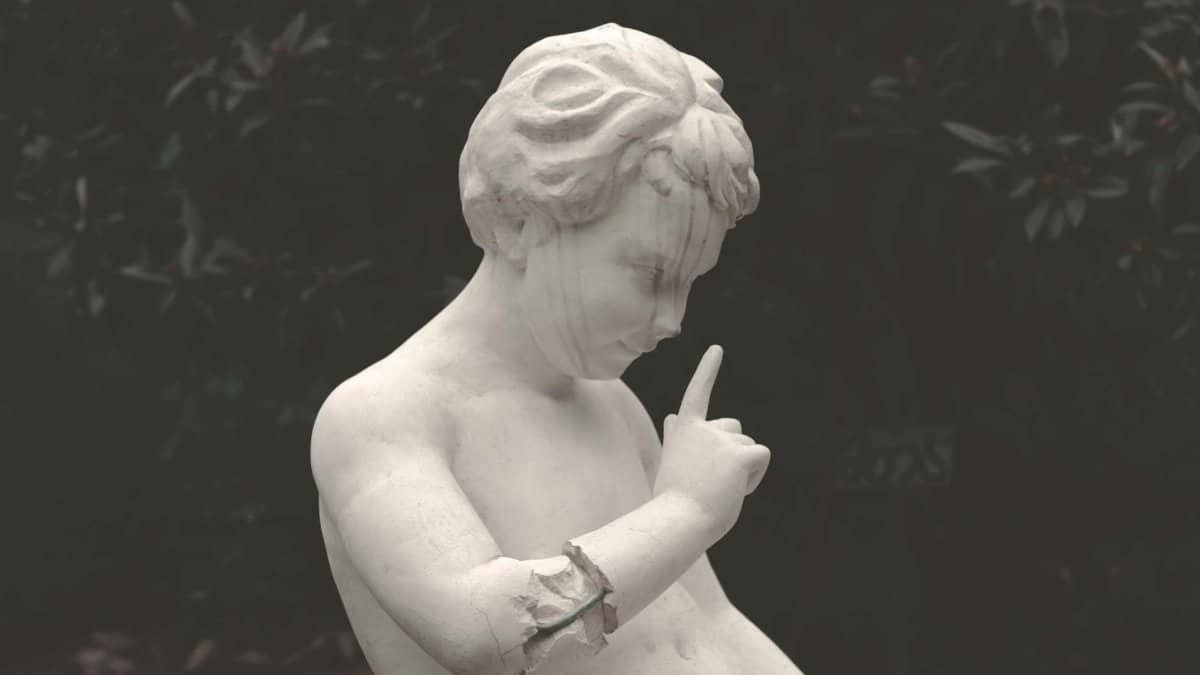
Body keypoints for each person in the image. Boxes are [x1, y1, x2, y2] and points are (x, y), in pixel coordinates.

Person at [311, 23, 802, 674]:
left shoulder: (613, 407)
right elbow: (484, 632)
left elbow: (710, 621)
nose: (673, 319)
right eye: (652, 275)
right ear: (520, 220)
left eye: (689, 283)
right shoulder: (385, 415)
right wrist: (686, 509)